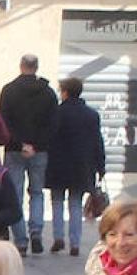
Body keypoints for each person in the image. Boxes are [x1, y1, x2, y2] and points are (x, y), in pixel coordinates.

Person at [0, 55, 58, 255]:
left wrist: (19, 144)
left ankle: (21, 240)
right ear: (36, 67)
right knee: (37, 193)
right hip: (40, 151)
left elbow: (3, 121)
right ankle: (37, 232)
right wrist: (37, 145)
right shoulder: (48, 93)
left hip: (15, 150)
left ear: (21, 66)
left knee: (15, 194)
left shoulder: (9, 90)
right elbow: (53, 124)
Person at [43, 76, 103, 257]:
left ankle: (58, 237)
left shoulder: (56, 113)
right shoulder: (91, 115)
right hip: (81, 166)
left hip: (58, 165)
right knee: (76, 203)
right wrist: (101, 166)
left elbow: (49, 139)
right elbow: (97, 142)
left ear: (65, 92)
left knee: (57, 201)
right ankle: (75, 242)